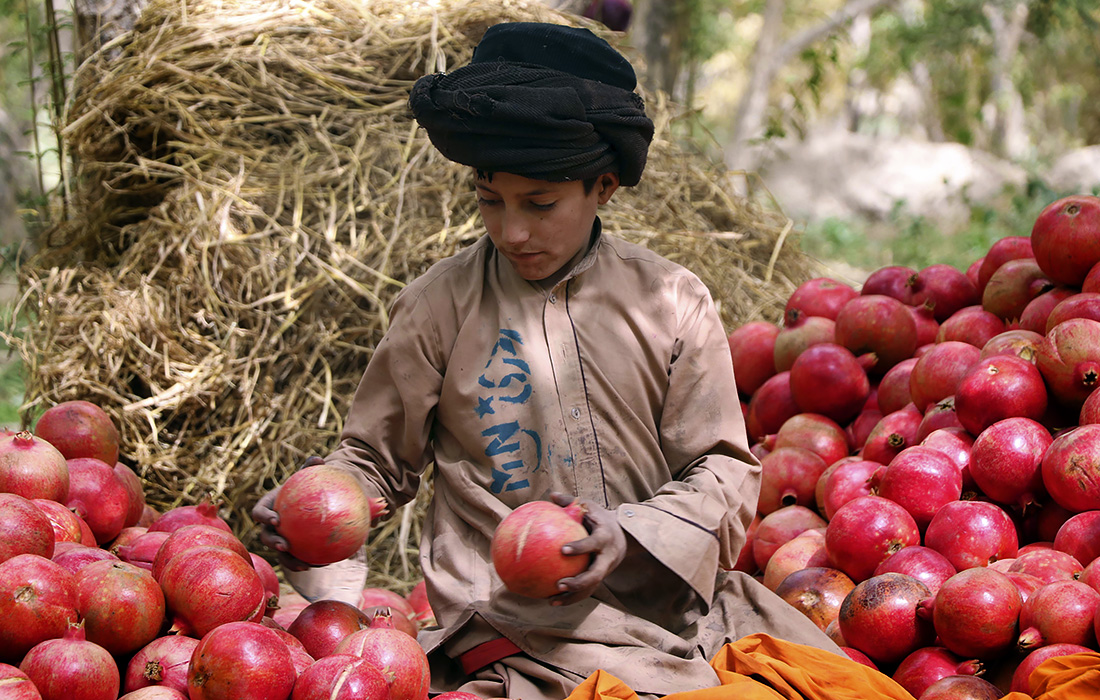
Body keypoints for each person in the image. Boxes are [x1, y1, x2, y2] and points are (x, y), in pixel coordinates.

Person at [252, 21, 841, 700]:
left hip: (672, 624)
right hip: (508, 641)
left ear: (605, 187)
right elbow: (375, 461)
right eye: (489, 201)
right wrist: (317, 510)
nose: (513, 231)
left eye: (540, 203)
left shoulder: (672, 300)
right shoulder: (437, 305)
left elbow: (722, 470)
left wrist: (626, 535)